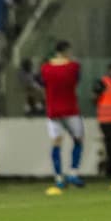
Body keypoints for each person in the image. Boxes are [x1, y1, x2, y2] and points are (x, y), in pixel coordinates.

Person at [39, 41, 85, 190]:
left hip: (53, 110)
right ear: (66, 51)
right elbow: (76, 80)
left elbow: (43, 83)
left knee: (56, 142)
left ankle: (59, 177)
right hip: (70, 109)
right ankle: (73, 172)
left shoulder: (45, 68)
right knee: (78, 139)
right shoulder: (73, 67)